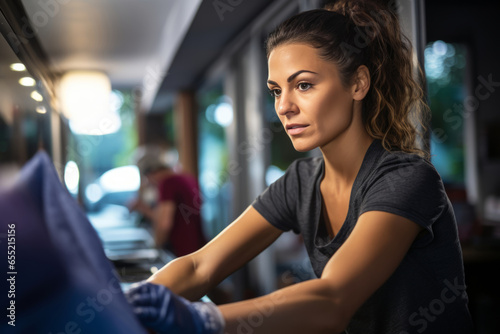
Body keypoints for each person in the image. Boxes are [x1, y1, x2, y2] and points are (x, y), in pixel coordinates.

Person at [125, 1, 474, 333]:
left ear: (358, 83)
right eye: (276, 90)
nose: (284, 106)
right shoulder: (301, 181)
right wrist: (130, 305)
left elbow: (332, 301)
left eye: (303, 85)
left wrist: (203, 321)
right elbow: (200, 266)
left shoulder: (406, 178)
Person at [129, 147, 207, 257]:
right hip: (198, 248)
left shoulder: (167, 183)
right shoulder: (186, 177)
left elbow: (164, 223)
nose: (149, 184)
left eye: (146, 178)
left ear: (150, 173)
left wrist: (154, 248)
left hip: (182, 251)